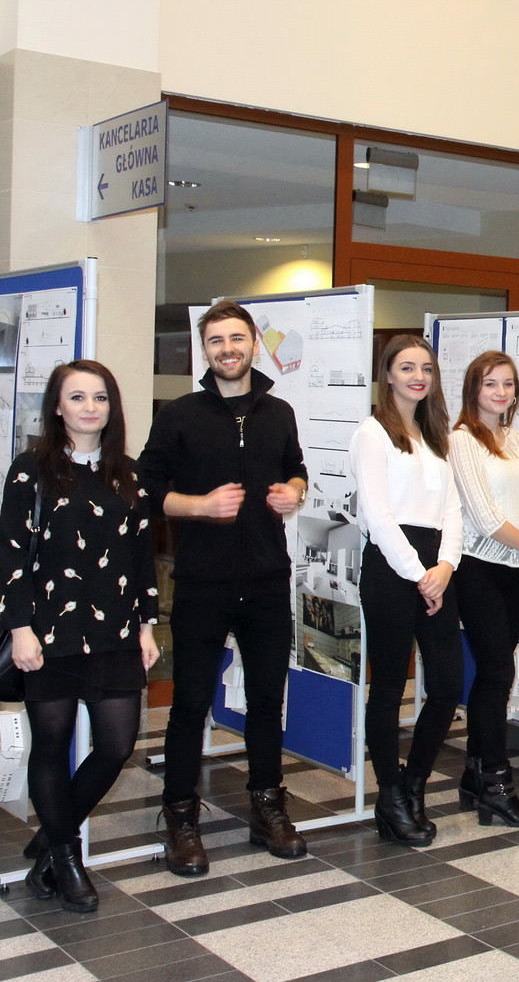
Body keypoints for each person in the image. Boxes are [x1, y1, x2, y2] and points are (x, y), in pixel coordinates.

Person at [139, 301, 308, 876]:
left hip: (266, 579)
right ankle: (181, 818)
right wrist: (199, 506)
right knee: (190, 703)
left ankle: (268, 809)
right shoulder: (180, 415)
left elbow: (296, 468)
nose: (227, 349)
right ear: (204, 349)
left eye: (236, 338)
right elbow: (146, 488)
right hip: (201, 582)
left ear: (254, 344)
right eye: (216, 340)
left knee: (266, 700)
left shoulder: (279, 412)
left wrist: (294, 490)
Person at [6, 361, 159, 911]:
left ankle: (51, 839)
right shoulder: (31, 469)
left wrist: (147, 623)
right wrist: (20, 628)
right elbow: (11, 555)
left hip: (116, 630)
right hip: (48, 631)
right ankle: (67, 859)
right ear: (57, 406)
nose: (90, 407)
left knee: (116, 745)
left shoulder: (129, 474)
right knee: (51, 744)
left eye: (100, 397)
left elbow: (142, 556)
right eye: (77, 397)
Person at [351, 335, 463, 846]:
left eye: (426, 368)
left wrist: (445, 566)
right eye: (407, 368)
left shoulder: (437, 435)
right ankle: (390, 795)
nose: (418, 376)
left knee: (447, 685)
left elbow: (453, 511)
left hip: (437, 568)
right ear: (388, 375)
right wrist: (420, 574)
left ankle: (414, 783)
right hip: (392, 567)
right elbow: (378, 516)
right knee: (389, 688)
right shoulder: (372, 433)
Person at [447, 351, 519, 828]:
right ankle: (495, 781)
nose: (500, 392)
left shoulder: (518, 440)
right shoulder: (462, 440)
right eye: (490, 383)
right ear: (474, 389)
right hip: (477, 568)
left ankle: (475, 773)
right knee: (496, 672)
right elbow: (486, 518)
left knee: (496, 675)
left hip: (516, 569)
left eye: (508, 384)